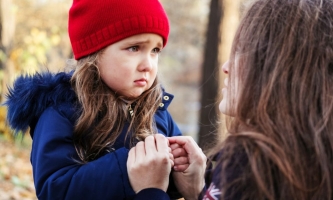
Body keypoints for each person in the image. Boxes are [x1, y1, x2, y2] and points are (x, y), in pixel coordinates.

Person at [127, 0, 333, 199]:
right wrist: (198, 191)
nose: (226, 66)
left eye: (244, 51)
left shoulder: (253, 165)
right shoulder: (310, 158)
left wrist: (151, 190)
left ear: (282, 69)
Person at [4, 0, 186, 199]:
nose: (148, 65)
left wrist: (181, 169)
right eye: (134, 48)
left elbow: (167, 185)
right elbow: (54, 189)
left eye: (155, 50)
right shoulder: (62, 113)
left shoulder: (157, 111)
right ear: (94, 52)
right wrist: (128, 170)